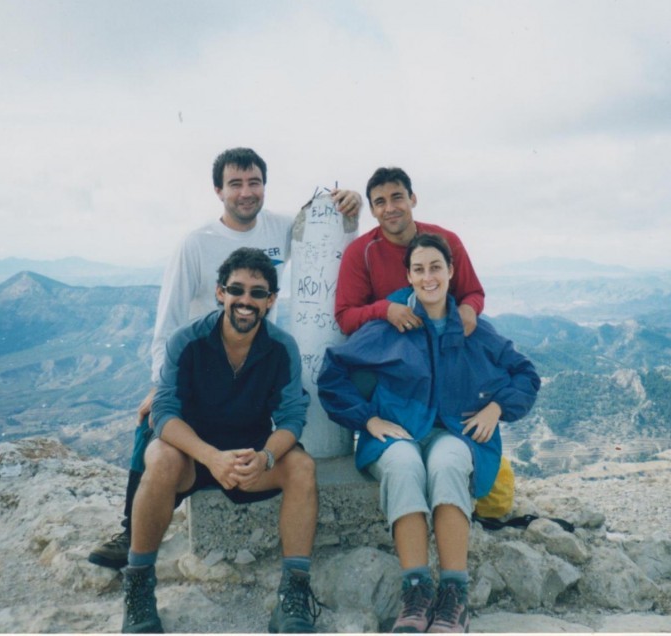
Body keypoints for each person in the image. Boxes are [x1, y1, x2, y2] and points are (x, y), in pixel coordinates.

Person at [89, 147, 360, 569]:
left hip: (253, 361)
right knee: (154, 425)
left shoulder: (281, 229)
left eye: (254, 183)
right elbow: (169, 319)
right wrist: (161, 382)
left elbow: (322, 230)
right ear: (219, 190)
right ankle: (131, 530)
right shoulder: (196, 244)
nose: (246, 193)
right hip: (198, 363)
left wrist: (347, 204)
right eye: (235, 184)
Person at [317, 233, 540, 633]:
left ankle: (454, 594)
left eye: (436, 267)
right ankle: (416, 592)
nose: (428, 276)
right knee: (403, 465)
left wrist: (496, 407)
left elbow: (526, 373)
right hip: (398, 429)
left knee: (448, 463)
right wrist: (367, 419)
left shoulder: (473, 329)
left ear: (452, 272)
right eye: (418, 269)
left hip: (456, 432)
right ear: (409, 276)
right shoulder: (392, 325)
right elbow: (333, 374)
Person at [122, 248, 320, 634]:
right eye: (237, 290)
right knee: (160, 457)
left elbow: (293, 418)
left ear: (271, 300)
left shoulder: (282, 348)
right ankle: (139, 587)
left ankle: (294, 592)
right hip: (192, 458)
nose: (246, 301)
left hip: (248, 459)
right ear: (220, 293)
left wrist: (265, 458)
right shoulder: (187, 341)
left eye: (258, 293)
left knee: (301, 466)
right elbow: (164, 413)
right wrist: (210, 457)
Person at [334, 167, 485, 338]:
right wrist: (386, 310)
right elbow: (345, 318)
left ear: (413, 199)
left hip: (445, 338)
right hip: (390, 349)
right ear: (372, 210)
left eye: (397, 198)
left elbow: (473, 292)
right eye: (380, 202)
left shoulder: (447, 241)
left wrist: (469, 308)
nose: (390, 208)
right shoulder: (359, 252)